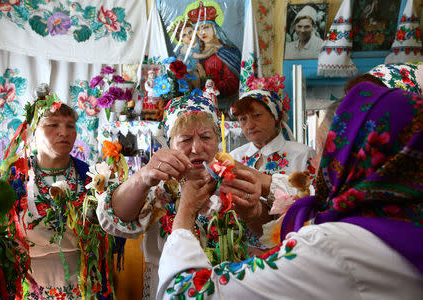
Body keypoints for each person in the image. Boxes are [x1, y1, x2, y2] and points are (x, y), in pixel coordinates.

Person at [156, 81, 423, 299]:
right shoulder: (404, 220)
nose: (315, 165)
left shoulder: (331, 246)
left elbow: (184, 292)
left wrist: (186, 210)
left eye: (325, 154)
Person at [96, 94, 269, 299]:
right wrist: (142, 177)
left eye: (206, 137)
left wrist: (253, 211)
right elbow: (116, 218)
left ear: (217, 140)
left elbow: (269, 235)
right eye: (186, 139)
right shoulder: (158, 183)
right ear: (169, 143)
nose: (196, 148)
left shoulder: (236, 179)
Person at [6, 84, 121, 299]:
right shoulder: (15, 178)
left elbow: (112, 228)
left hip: (84, 282)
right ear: (32, 131)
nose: (64, 132)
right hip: (28, 284)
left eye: (71, 126)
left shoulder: (91, 175)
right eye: (53, 125)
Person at [187, 2, 241, 101]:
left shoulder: (227, 51)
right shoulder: (196, 50)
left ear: (214, 28)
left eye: (206, 27)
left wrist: (208, 84)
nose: (202, 32)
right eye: (198, 29)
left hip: (220, 101)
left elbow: (233, 83)